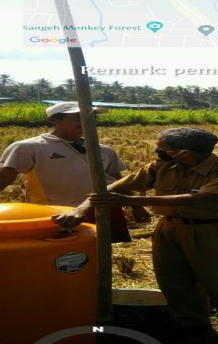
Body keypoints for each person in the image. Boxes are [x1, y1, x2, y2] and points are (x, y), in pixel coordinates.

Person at [54, 127, 218, 341]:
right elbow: (116, 187)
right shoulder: (160, 167)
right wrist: (82, 209)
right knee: (174, 280)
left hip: (213, 230)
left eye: (162, 148)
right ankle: (193, 328)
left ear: (183, 154)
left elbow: (202, 198)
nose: (157, 151)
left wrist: (134, 201)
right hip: (169, 228)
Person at [0, 101, 145, 241]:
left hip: (103, 211)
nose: (87, 121)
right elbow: (4, 178)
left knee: (101, 253)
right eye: (78, 117)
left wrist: (136, 206)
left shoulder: (104, 150)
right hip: (57, 214)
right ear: (54, 119)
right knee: (62, 257)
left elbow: (118, 183)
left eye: (92, 117)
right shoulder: (29, 147)